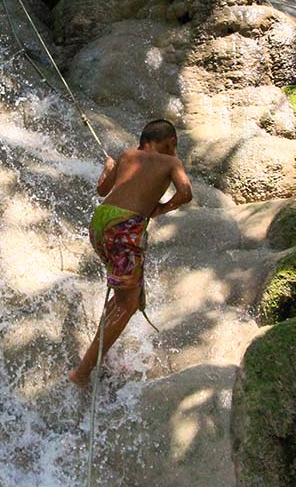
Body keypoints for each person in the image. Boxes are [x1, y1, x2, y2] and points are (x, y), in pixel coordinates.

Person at [68, 119, 193, 389]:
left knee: (123, 296)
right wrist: (159, 209)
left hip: (100, 224)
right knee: (128, 305)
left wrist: (108, 169)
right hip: (125, 228)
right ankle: (82, 372)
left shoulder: (126, 156)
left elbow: (102, 190)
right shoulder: (172, 163)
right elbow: (185, 193)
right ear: (171, 144)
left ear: (142, 142)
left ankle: (99, 348)